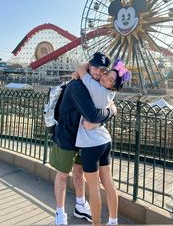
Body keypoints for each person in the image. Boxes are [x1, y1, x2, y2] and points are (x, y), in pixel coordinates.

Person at [49, 52, 116, 225]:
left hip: (84, 138)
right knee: (63, 174)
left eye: (103, 70)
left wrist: (110, 111)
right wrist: (107, 114)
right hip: (67, 135)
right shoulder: (79, 85)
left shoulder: (94, 84)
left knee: (79, 172)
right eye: (95, 68)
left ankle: (80, 205)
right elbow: (93, 114)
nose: (99, 72)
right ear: (89, 67)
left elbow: (111, 103)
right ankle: (59, 213)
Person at [74, 59, 131, 225]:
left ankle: (96, 223)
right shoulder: (109, 94)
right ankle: (113, 220)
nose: (105, 78)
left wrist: (82, 69)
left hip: (91, 144)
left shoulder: (96, 88)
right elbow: (113, 108)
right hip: (105, 141)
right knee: (108, 182)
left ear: (113, 86)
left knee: (93, 187)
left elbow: (81, 67)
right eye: (107, 74)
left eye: (111, 79)